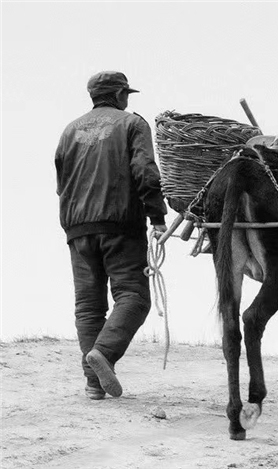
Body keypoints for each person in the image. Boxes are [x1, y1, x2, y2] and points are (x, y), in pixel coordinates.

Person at [55, 71, 168, 400]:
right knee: (134, 297)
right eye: (126, 94)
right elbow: (145, 169)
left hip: (77, 228)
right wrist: (157, 217)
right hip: (119, 224)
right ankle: (104, 353)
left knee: (88, 307)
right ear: (120, 94)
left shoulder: (68, 131)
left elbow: (62, 182)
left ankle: (94, 384)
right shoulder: (132, 124)